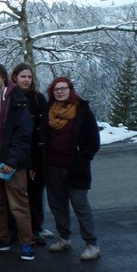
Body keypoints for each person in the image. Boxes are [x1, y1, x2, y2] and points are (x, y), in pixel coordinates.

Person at [0, 63, 36, 261]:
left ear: (4, 77)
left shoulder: (16, 98)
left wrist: (13, 159)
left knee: (18, 204)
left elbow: (23, 132)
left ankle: (27, 242)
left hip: (12, 161)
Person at [41, 76, 102, 261]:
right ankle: (64, 238)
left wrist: (83, 158)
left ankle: (92, 244)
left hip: (75, 168)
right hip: (52, 167)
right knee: (58, 206)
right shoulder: (48, 111)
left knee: (80, 206)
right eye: (56, 89)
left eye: (63, 88)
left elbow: (93, 141)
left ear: (70, 90)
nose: (60, 91)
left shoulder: (82, 111)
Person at [8, 63, 48, 245]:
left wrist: (36, 163)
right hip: (13, 155)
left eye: (29, 77)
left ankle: (35, 229)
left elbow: (44, 131)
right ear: (14, 77)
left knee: (34, 195)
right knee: (12, 195)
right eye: (23, 76)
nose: (26, 80)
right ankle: (12, 229)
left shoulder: (38, 99)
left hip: (34, 156)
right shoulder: (7, 97)